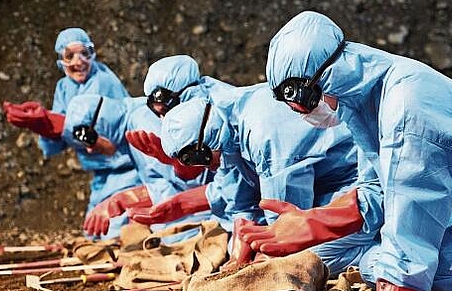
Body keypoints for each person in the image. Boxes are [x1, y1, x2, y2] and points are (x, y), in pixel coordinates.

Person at [248, 10, 452, 291]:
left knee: (435, 276)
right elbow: (379, 188)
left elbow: (415, 207)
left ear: (317, 84)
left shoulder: (407, 102)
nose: (302, 116)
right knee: (373, 263)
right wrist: (319, 222)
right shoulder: (361, 101)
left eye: (300, 106)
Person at [126, 55, 383, 275]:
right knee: (248, 249)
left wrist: (264, 262)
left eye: (196, 158)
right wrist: (237, 260)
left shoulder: (262, 132)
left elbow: (283, 219)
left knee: (307, 260)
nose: (202, 168)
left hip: (357, 182)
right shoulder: (222, 123)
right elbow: (240, 201)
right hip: (323, 187)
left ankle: (382, 253)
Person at [67, 93, 211, 239]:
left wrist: (125, 200)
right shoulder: (129, 124)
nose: (90, 150)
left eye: (90, 139)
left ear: (102, 121)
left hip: (202, 212)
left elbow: (191, 180)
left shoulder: (141, 124)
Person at [3, 27, 129, 157]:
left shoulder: (102, 81)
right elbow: (61, 140)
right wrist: (44, 128)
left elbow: (88, 130)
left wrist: (53, 123)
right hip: (102, 168)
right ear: (60, 61)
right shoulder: (64, 87)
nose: (79, 61)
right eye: (69, 56)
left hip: (125, 161)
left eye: (85, 53)